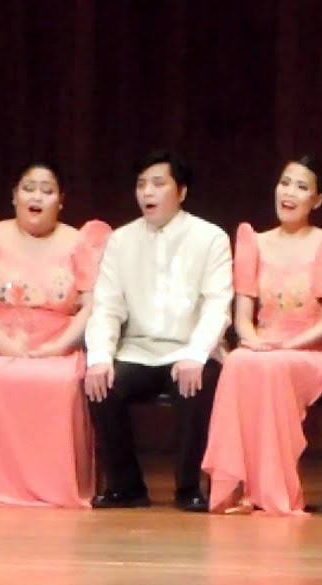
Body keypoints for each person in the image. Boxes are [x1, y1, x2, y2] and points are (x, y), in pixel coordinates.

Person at [202, 156, 322, 515]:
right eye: (285, 183)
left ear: (317, 200)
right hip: (264, 346)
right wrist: (254, 340)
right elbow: (243, 318)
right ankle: (239, 489)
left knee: (271, 368)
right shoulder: (254, 242)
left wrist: (286, 345)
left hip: (313, 351)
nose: (289, 193)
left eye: (301, 187)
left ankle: (272, 492)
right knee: (237, 362)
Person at [84, 150, 233, 511]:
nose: (147, 192)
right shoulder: (121, 240)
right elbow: (106, 307)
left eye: (157, 184)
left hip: (190, 349)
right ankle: (126, 486)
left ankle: (188, 487)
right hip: (137, 349)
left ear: (181, 192)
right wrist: (100, 357)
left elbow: (217, 305)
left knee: (197, 386)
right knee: (102, 386)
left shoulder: (210, 237)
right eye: (141, 185)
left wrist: (196, 354)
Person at [0, 162, 110, 507]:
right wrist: (3, 343)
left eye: (47, 190)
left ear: (61, 200)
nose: (36, 197)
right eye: (28, 188)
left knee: (62, 381)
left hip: (59, 346)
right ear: (14, 196)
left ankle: (55, 488)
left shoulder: (79, 241)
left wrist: (60, 345)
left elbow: (94, 304)